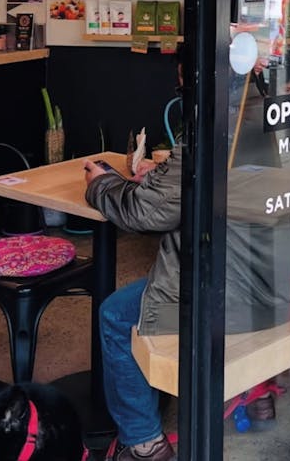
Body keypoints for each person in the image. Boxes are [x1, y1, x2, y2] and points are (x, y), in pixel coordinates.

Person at [83, 46, 184, 461]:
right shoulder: (264, 121)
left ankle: (143, 443)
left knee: (115, 314)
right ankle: (259, 398)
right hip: (269, 278)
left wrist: (100, 184)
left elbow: (142, 213)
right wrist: (162, 174)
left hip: (219, 290)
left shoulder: (212, 131)